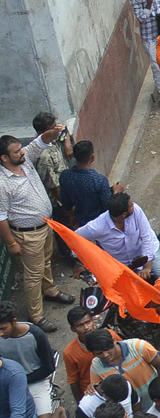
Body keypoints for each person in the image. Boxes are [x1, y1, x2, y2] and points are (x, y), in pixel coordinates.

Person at [0, 119, 74, 332]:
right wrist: (11, 243)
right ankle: (37, 316)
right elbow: (1, 217)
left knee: (46, 262)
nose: (21, 153)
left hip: (44, 227)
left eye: (20, 149)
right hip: (26, 235)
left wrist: (53, 131)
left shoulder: (24, 160)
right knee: (32, 275)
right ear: (4, 158)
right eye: (15, 152)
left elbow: (41, 141)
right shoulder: (3, 184)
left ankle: (50, 290)